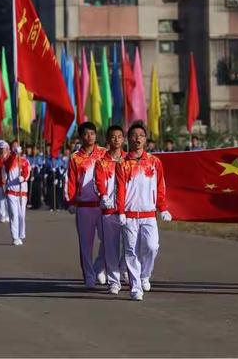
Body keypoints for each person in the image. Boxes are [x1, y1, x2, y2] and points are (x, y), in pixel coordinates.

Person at [116, 121, 172, 301]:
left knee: (151, 247)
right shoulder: (122, 164)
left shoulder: (155, 162)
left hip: (149, 214)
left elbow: (160, 186)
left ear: (145, 139)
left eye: (141, 135)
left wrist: (163, 208)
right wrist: (121, 211)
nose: (138, 138)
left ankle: (145, 274)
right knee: (131, 250)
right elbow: (120, 189)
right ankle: (136, 287)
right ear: (128, 139)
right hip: (130, 215)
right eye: (134, 135)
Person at [65, 122, 107, 288]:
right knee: (85, 244)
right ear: (81, 137)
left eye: (92, 133)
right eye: (86, 134)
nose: (90, 137)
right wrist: (71, 201)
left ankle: (99, 267)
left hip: (103, 206)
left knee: (109, 241)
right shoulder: (76, 158)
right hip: (84, 207)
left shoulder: (104, 154)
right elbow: (71, 181)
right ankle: (89, 276)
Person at [94, 125, 127, 295]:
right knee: (111, 247)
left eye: (119, 136)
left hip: (127, 210)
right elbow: (98, 181)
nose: (116, 140)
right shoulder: (101, 162)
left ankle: (124, 270)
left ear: (123, 139)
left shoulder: (129, 160)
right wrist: (103, 195)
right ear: (108, 140)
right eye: (113, 137)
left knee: (131, 246)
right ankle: (114, 281)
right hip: (108, 210)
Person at [3, 140, 31, 245]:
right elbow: (9, 164)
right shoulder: (8, 160)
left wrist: (23, 178)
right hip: (11, 191)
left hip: (22, 192)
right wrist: (14, 154)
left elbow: (27, 172)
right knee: (14, 215)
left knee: (21, 215)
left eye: (17, 146)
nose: (16, 148)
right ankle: (15, 237)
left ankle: (21, 234)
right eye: (14, 147)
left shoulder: (25, 161)